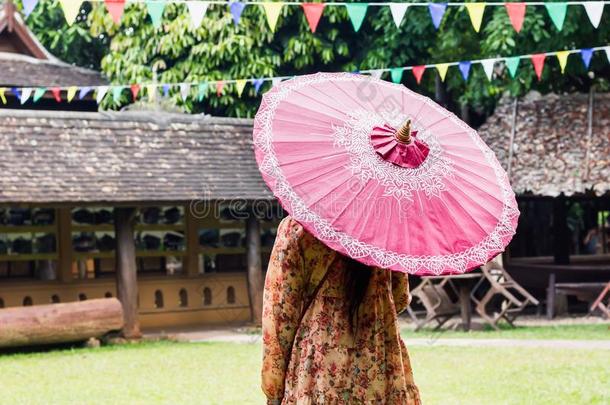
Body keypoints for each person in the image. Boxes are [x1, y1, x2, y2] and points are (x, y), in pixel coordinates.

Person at [261, 217, 421, 404]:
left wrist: (274, 390)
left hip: (318, 370)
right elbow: (400, 298)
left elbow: (280, 316)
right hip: (378, 362)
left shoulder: (298, 228)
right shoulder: (386, 229)